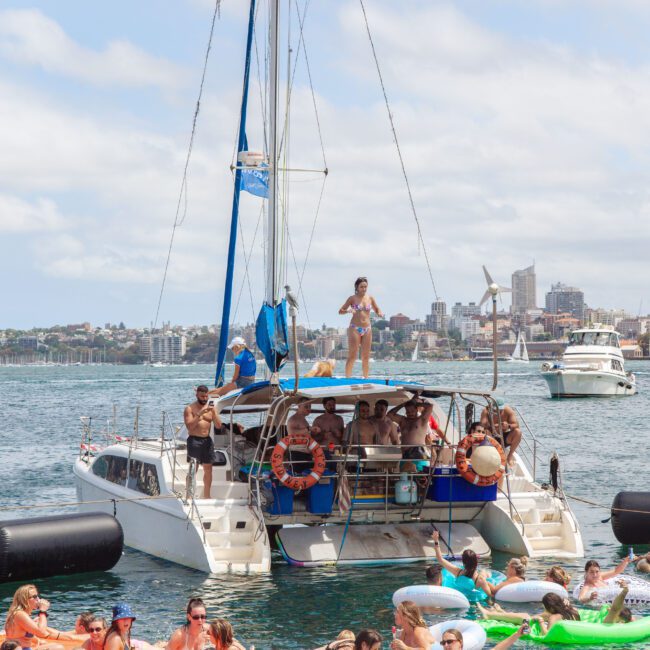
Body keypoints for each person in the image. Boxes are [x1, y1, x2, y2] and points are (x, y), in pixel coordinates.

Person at [339, 276, 384, 378]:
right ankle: (348, 378)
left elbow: (377, 309)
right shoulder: (352, 298)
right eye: (361, 287)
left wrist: (379, 313)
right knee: (353, 355)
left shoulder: (370, 298)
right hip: (355, 328)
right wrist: (348, 311)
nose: (364, 289)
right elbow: (340, 311)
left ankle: (365, 378)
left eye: (365, 287)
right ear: (357, 287)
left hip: (367, 328)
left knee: (366, 356)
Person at [3, 584, 73, 650]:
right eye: (34, 597)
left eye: (37, 596)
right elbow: (41, 632)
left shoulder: (19, 613)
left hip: (24, 647)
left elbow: (22, 634)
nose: (38, 599)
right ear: (25, 599)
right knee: (58, 647)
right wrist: (43, 611)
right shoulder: (19, 614)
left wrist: (37, 640)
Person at [184, 385, 222, 499]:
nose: (204, 399)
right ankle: (188, 496)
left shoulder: (211, 408)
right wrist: (200, 413)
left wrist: (213, 413)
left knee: (208, 469)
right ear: (197, 395)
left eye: (206, 396)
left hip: (207, 441)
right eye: (202, 396)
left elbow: (219, 426)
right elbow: (190, 427)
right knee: (192, 469)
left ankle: (207, 495)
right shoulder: (190, 409)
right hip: (194, 440)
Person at [478, 592, 580, 633]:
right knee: (531, 617)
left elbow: (547, 635)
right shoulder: (573, 610)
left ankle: (490, 614)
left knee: (525, 617)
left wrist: (540, 622)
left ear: (550, 608)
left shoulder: (554, 617)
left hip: (548, 636)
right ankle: (501, 612)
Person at [430, 530, 491, 596]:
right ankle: (486, 573)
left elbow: (440, 559)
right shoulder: (480, 580)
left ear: (463, 563)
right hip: (475, 588)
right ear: (476, 562)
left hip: (461, 594)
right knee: (484, 572)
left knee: (483, 573)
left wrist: (436, 541)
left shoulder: (458, 572)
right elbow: (489, 595)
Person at [480, 398, 522, 467]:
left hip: (503, 437)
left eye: (500, 410)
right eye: (495, 410)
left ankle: (509, 456)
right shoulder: (486, 411)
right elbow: (482, 425)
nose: (498, 411)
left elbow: (516, 425)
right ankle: (491, 455)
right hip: (491, 437)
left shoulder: (508, 411)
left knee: (518, 432)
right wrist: (494, 426)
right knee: (486, 431)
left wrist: (508, 426)